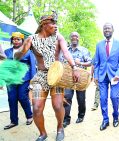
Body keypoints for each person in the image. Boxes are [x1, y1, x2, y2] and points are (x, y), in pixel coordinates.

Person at [14, 12, 80, 141]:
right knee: (37, 108)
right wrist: (21, 51)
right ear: (44, 24)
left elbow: (66, 53)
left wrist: (74, 67)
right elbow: (17, 56)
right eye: (53, 23)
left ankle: (60, 128)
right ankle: (42, 133)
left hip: (57, 76)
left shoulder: (58, 37)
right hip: (41, 76)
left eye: (56, 23)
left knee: (57, 105)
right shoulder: (32, 39)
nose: (55, 26)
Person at [94, 23, 119, 131]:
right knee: (103, 98)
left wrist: (118, 74)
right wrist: (96, 76)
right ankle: (105, 120)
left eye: (108, 28)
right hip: (102, 76)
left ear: (113, 30)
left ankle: (116, 117)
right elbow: (96, 62)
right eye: (105, 28)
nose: (106, 30)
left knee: (114, 97)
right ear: (103, 31)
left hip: (114, 76)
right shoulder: (99, 45)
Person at [3, 32, 36, 130]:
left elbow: (33, 67)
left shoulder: (28, 52)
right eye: (14, 39)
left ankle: (29, 116)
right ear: (11, 40)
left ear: (22, 41)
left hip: (24, 79)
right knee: (12, 99)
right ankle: (13, 121)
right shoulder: (7, 51)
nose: (16, 41)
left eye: (18, 39)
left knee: (22, 97)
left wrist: (32, 81)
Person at [62, 32, 92, 128]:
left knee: (81, 99)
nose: (74, 38)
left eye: (76, 36)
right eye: (72, 36)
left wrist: (81, 63)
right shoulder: (65, 50)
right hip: (68, 78)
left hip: (81, 79)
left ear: (79, 38)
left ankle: (81, 115)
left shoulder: (84, 50)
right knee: (67, 98)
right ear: (70, 38)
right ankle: (66, 119)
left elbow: (90, 62)